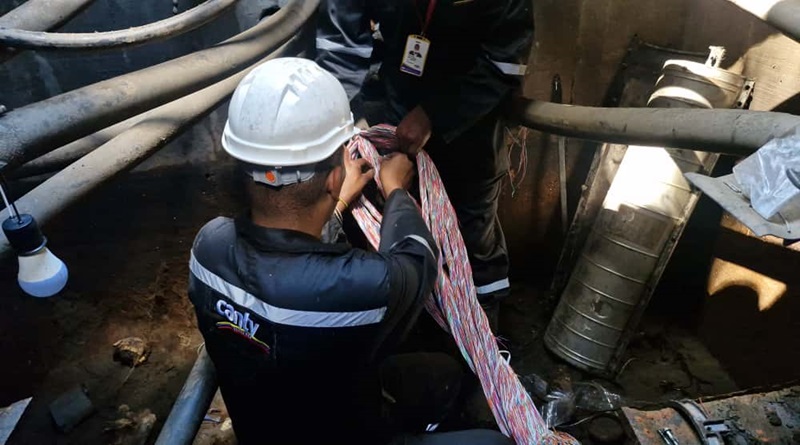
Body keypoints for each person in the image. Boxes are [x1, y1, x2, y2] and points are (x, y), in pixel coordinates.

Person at [187, 58, 512, 445]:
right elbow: (417, 260)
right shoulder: (359, 285)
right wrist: (395, 189)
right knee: (495, 442)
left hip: (266, 425)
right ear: (334, 177)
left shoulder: (208, 247)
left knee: (439, 373)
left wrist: (338, 205)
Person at [316, 0, 534, 329]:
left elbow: (503, 61)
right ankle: (416, 324)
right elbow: (342, 47)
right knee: (391, 215)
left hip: (471, 115)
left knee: (471, 233)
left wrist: (435, 114)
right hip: (397, 97)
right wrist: (344, 119)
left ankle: (482, 336)